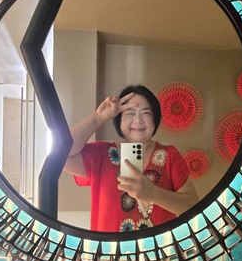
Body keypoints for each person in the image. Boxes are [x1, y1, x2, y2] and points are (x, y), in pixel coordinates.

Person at [63, 85, 199, 232]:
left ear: (155, 119)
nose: (138, 120)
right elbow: (61, 154)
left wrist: (154, 194)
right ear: (119, 119)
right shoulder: (101, 154)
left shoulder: (169, 154)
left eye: (146, 113)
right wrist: (98, 118)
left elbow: (193, 207)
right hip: (110, 247)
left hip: (160, 247)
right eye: (130, 113)